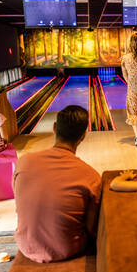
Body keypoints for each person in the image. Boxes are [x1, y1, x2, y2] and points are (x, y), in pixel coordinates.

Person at [13, 105, 101, 263]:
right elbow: (91, 228)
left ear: (54, 128)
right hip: (68, 249)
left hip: (26, 245)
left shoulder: (23, 162)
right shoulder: (91, 176)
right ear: (83, 136)